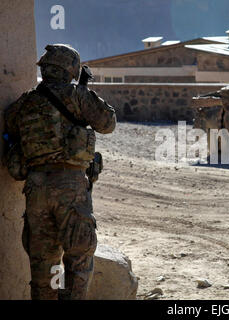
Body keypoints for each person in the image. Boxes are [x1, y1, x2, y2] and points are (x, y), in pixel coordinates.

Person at [3, 44, 116, 300]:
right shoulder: (75, 95)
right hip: (70, 188)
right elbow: (107, 123)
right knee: (78, 258)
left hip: (36, 188)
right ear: (71, 70)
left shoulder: (25, 102)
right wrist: (85, 95)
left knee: (45, 263)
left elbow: (11, 124)